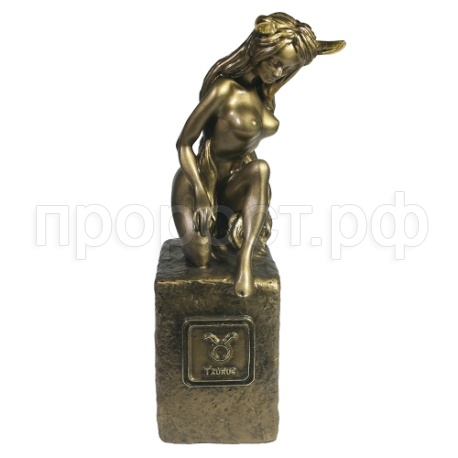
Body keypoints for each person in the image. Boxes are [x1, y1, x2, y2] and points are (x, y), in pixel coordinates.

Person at [172, 12, 345, 297]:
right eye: (275, 63)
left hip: (236, 182)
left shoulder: (266, 93)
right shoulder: (224, 89)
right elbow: (183, 144)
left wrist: (307, 49)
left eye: (285, 68)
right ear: (259, 51)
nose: (278, 73)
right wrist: (201, 193)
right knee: (200, 259)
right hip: (199, 180)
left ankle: (244, 261)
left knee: (261, 168)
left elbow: (295, 65)